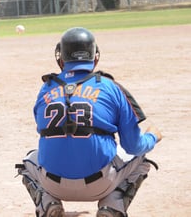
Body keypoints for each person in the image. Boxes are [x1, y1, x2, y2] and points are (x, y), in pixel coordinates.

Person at [16, 27, 162, 217]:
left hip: (52, 183)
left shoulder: (46, 88)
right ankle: (112, 208)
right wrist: (152, 137)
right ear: (95, 58)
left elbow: (41, 127)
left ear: (61, 58)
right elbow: (134, 146)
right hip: (100, 183)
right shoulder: (111, 87)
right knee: (142, 158)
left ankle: (48, 205)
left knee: (29, 161)